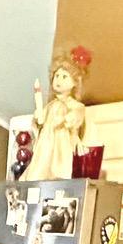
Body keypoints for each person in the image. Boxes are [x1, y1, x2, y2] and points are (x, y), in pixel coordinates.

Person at [25, 46, 91, 181]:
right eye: (57, 76)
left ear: (74, 82)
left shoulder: (74, 105)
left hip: (61, 142)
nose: (59, 80)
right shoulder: (50, 106)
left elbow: (76, 116)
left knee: (59, 166)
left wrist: (68, 118)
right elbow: (40, 122)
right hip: (45, 142)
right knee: (39, 166)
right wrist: (38, 119)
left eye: (64, 77)